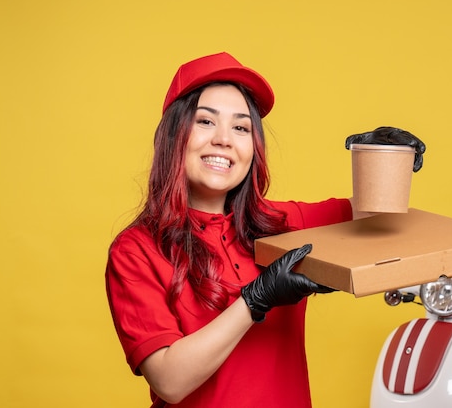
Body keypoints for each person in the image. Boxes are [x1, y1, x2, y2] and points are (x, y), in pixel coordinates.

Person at [105, 52, 425, 408]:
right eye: (206, 122)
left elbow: (375, 216)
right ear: (173, 136)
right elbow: (170, 380)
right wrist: (256, 299)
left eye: (241, 127)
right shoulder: (135, 250)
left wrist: (385, 154)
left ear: (253, 148)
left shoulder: (281, 225)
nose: (224, 140)